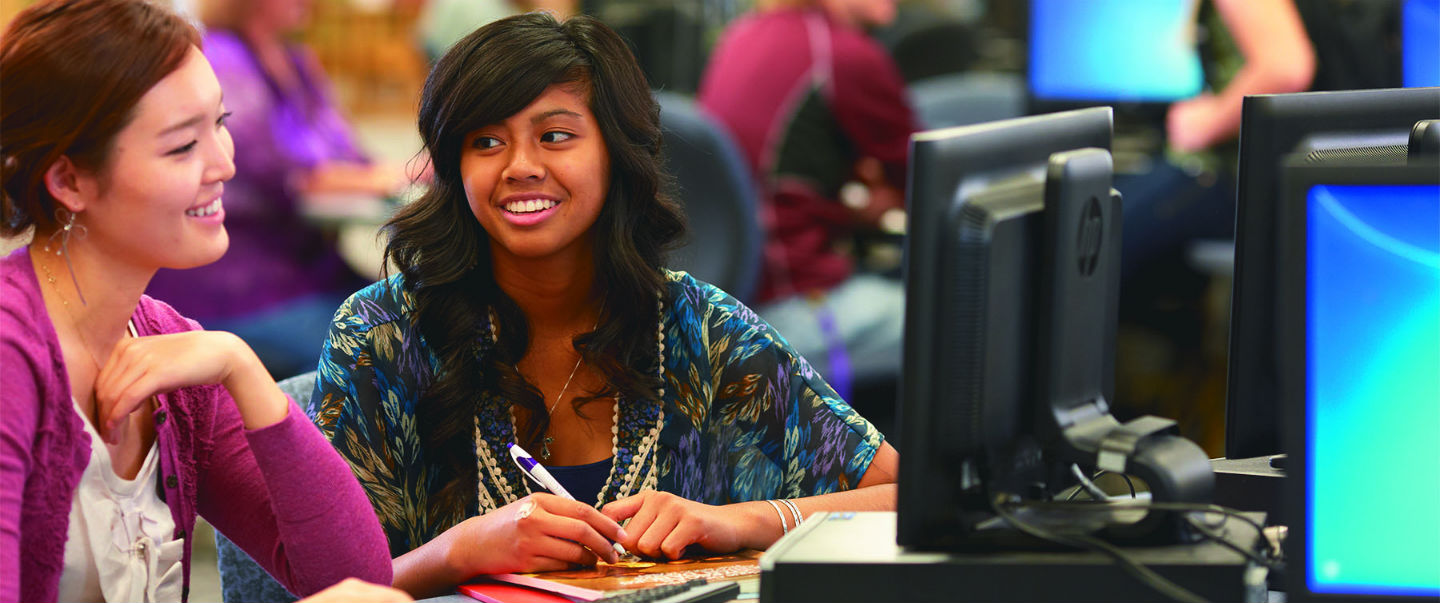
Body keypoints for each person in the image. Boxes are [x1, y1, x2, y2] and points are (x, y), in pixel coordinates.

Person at [309, 12, 898, 598]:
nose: (520, 167)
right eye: (485, 142)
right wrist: (458, 551)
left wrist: (745, 519)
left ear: (615, 151)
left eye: (555, 136)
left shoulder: (699, 329)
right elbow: (318, 587)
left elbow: (906, 496)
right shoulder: (384, 335)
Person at [0, 1, 405, 601]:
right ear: (69, 182)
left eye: (222, 123)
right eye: (181, 146)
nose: (225, 163)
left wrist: (240, 365)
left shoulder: (173, 349)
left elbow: (355, 573)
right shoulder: (13, 355)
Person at [143, 0, 414, 379]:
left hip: (309, 264)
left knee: (422, 316)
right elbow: (278, 172)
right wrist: (374, 178)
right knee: (389, 346)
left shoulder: (295, 59)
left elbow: (348, 152)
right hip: (240, 282)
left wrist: (394, 171)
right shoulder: (220, 57)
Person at [696, 0, 918, 399]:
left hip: (718, 305)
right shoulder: (842, 54)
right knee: (954, 319)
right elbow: (932, 177)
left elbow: (768, 179)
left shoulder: (742, 34)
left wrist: (843, 208)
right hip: (783, 311)